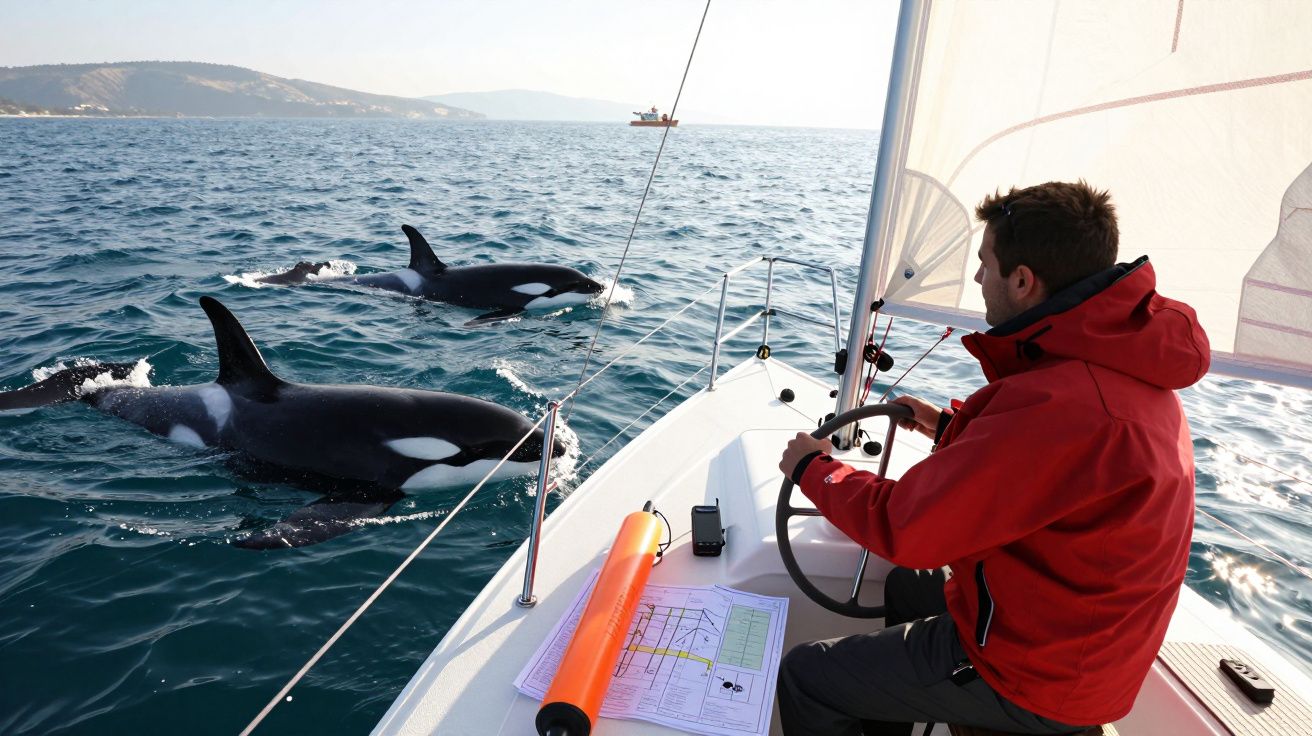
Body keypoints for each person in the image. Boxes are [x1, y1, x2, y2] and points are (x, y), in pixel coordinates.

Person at [775, 180, 1209, 735]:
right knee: (908, 585)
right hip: (1081, 647)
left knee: (807, 676)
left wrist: (814, 469)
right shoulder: (1123, 372)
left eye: (985, 263)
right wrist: (948, 427)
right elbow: (1057, 468)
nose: (979, 278)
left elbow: (904, 526)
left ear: (1023, 281)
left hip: (1033, 673)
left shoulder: (1060, 405)